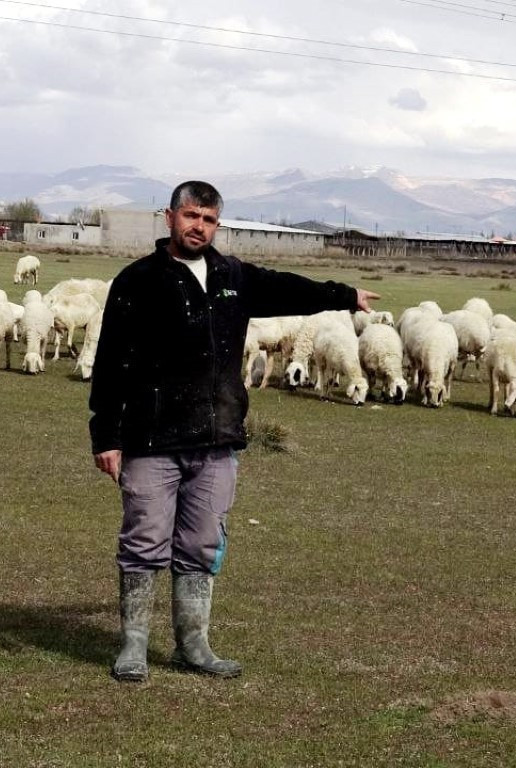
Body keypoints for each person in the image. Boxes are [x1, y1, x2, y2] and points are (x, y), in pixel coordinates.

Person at [89, 180, 379, 683]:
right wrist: (106, 436)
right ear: (170, 218)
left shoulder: (232, 276)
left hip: (217, 438)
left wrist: (346, 295)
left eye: (208, 219)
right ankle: (133, 646)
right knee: (144, 539)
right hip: (151, 438)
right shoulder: (137, 280)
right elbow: (111, 359)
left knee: (202, 543)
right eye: (190, 216)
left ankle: (193, 645)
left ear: (217, 224)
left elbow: (290, 288)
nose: (198, 226)